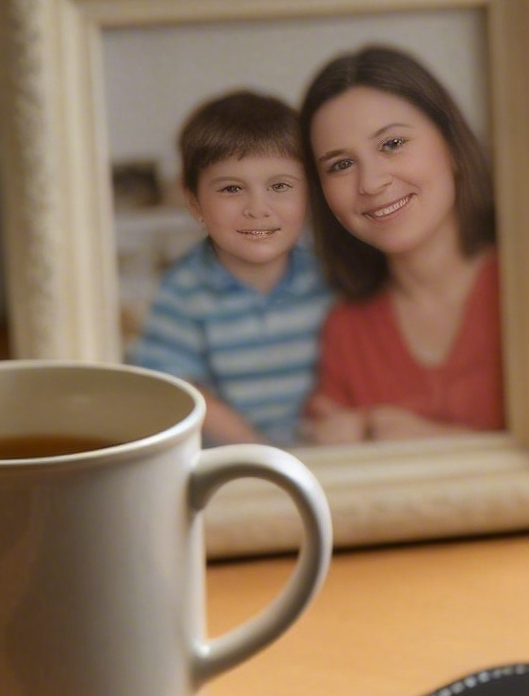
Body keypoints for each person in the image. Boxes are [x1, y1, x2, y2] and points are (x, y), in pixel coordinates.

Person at [297, 46, 502, 443]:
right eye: (341, 165)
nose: (371, 183)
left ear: (452, 144)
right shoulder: (345, 331)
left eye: (392, 144)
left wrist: (429, 441)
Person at [129, 91, 333, 445]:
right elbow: (176, 387)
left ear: (310, 192)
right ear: (195, 202)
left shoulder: (326, 278)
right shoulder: (184, 292)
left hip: (323, 459)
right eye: (232, 189)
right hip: (233, 461)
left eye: (280, 186)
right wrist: (259, 453)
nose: (258, 208)